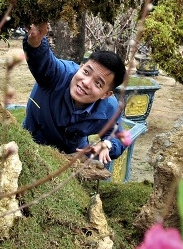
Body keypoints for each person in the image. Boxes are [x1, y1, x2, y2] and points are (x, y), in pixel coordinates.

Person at [22, 23, 127, 164]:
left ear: (106, 94)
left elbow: (124, 137)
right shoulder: (59, 74)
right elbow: (43, 61)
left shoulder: (110, 108)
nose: (86, 82)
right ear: (81, 67)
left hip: (72, 155)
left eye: (98, 83)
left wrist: (108, 146)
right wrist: (35, 43)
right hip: (32, 143)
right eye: (86, 72)